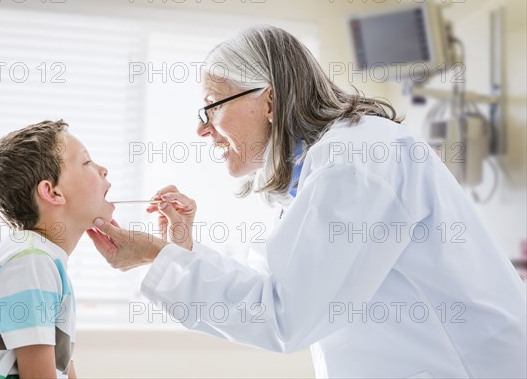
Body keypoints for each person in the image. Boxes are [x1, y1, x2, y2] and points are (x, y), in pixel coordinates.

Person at [88, 26, 527, 378]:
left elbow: (286, 315)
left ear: (270, 99)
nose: (202, 130)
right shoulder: (320, 169)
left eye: (211, 106)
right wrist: (178, 251)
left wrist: (156, 255)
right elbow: (271, 282)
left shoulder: (354, 163)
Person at [0, 120, 114, 378]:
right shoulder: (29, 260)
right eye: (87, 162)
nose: (103, 170)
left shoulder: (40, 259)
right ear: (52, 192)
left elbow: (62, 365)